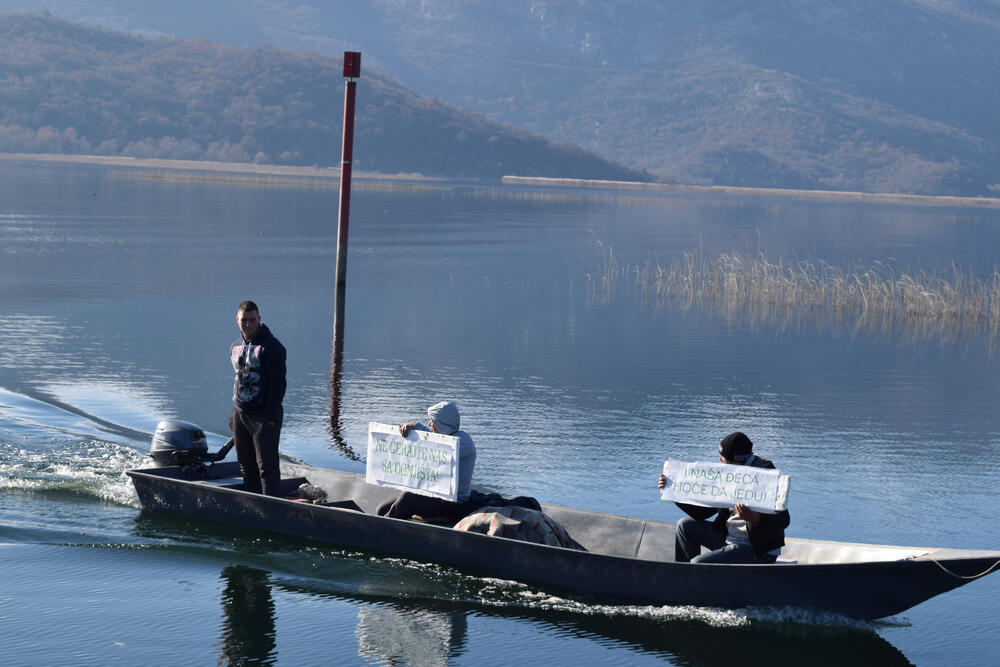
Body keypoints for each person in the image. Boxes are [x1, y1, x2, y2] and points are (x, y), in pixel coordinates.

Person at [658, 431, 790, 564]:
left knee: (697, 563)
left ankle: (694, 574)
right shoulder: (728, 474)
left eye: (723, 456)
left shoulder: (766, 475)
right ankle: (685, 574)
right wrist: (673, 491)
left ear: (737, 460)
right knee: (684, 526)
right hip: (729, 539)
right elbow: (702, 514)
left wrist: (755, 518)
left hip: (757, 550)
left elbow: (783, 519)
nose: (720, 459)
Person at [376, 401, 477, 521]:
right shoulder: (443, 436)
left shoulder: (463, 442)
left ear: (442, 424)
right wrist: (413, 426)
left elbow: (438, 444)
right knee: (381, 509)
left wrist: (418, 428)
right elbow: (433, 437)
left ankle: (380, 528)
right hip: (434, 495)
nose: (429, 424)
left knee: (407, 499)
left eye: (432, 421)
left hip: (452, 503)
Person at [230, 300, 286, 496]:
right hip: (240, 414)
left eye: (252, 319)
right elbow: (239, 379)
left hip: (263, 416)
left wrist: (269, 418)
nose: (248, 324)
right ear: (237, 320)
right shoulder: (235, 346)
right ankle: (253, 502)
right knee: (245, 463)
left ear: (259, 319)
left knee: (267, 466)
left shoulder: (272, 347)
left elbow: (279, 386)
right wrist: (234, 414)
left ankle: (271, 505)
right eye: (244, 320)